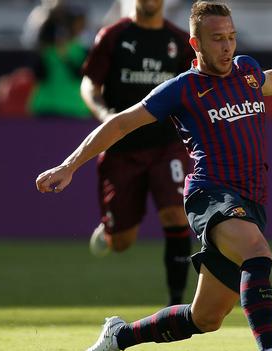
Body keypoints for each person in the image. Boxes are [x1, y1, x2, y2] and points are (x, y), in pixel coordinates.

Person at [35, 1, 272, 351]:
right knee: (257, 252)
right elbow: (120, 124)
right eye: (217, 39)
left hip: (250, 199)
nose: (227, 46)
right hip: (210, 194)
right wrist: (70, 165)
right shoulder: (183, 88)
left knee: (205, 318)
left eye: (231, 37)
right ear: (196, 44)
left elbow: (270, 80)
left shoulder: (246, 70)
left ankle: (119, 335)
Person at [80, 0, 195, 306]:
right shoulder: (113, 36)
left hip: (166, 144)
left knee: (175, 213)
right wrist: (103, 113)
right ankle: (109, 230)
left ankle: (177, 304)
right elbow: (89, 83)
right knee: (122, 242)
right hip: (122, 148)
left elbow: (193, 88)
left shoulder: (179, 41)